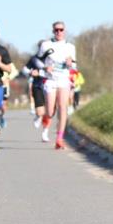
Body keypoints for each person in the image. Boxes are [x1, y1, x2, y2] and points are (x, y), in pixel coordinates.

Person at [38, 21, 76, 149]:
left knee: (63, 107)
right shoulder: (46, 45)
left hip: (63, 79)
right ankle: (45, 119)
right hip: (50, 80)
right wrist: (45, 67)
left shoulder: (70, 47)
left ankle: (59, 138)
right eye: (56, 30)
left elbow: (74, 65)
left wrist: (70, 63)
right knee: (50, 112)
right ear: (53, 31)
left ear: (65, 31)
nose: (59, 32)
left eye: (61, 30)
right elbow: (37, 61)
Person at [24, 44, 48, 129]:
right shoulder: (34, 59)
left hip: (50, 86)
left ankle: (45, 132)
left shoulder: (52, 59)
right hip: (37, 85)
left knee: (49, 112)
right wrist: (30, 72)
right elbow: (25, 70)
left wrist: (40, 73)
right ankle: (38, 116)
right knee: (40, 111)